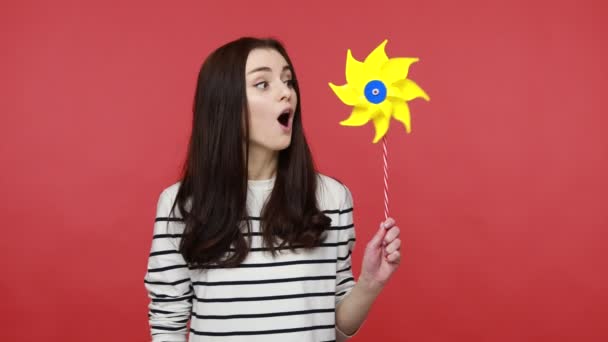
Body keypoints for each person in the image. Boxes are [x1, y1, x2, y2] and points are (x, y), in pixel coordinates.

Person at [144, 37, 402, 342]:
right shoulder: (180, 205)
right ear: (224, 103)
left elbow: (334, 327)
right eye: (263, 84)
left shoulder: (331, 199)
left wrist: (370, 282)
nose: (286, 93)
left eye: (288, 81)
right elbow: (168, 324)